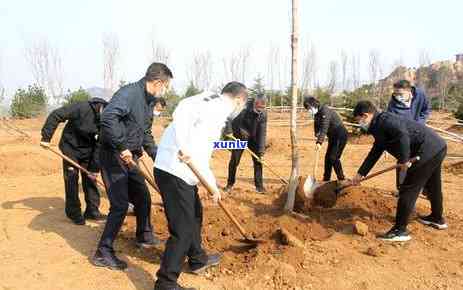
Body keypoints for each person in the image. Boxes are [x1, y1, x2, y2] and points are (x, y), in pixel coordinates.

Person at [153, 82, 248, 290]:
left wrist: (183, 143)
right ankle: (165, 283)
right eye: (242, 104)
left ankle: (197, 259)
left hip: (179, 170)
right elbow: (201, 156)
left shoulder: (209, 97)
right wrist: (213, 187)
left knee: (195, 215)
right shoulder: (216, 112)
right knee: (182, 229)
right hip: (174, 171)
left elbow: (182, 109)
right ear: (239, 100)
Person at [91, 62, 173, 271]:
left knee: (143, 197)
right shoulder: (129, 94)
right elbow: (108, 117)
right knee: (119, 205)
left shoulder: (148, 101)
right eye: (166, 86)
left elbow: (145, 132)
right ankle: (103, 252)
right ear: (157, 82)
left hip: (130, 157)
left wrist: (159, 157)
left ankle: (144, 236)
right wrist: (121, 146)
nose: (165, 90)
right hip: (113, 155)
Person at [351, 101, 448, 242]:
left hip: (426, 150)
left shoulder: (385, 121)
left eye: (358, 120)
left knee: (408, 188)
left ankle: (400, 230)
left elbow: (402, 135)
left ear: (365, 115)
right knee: (433, 185)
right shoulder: (377, 125)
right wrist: (361, 174)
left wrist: (403, 160)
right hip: (437, 147)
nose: (359, 123)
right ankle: (437, 218)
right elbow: (376, 151)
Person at [40, 97, 108, 225]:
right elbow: (56, 115)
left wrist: (94, 169)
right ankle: (74, 213)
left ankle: (92, 211)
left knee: (90, 179)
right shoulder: (80, 107)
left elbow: (100, 145)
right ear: (101, 108)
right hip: (71, 147)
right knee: (72, 178)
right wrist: (46, 137)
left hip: (89, 149)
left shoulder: (107, 120)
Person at [387, 79, 431, 190]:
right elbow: (390, 124)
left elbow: (426, 110)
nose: (397, 96)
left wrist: (420, 123)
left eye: (400, 94)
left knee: (421, 160)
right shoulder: (393, 104)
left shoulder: (420, 95)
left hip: (420, 133)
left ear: (409, 91)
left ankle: (424, 187)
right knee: (403, 160)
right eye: (395, 93)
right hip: (403, 136)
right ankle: (401, 187)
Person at [224, 93, 267, 193]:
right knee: (235, 161)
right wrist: (231, 131)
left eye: (263, 108)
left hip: (253, 137)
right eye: (259, 108)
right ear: (255, 104)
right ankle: (230, 184)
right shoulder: (243, 107)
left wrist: (261, 150)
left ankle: (259, 186)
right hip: (239, 136)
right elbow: (229, 117)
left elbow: (262, 132)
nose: (261, 110)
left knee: (258, 160)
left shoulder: (264, 113)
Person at [303, 96, 348, 182]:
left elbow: (324, 127)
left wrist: (319, 142)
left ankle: (341, 179)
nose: (309, 110)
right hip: (332, 137)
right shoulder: (316, 113)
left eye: (309, 108)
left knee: (333, 158)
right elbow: (316, 125)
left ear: (313, 105)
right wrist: (316, 133)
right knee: (328, 158)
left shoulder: (325, 110)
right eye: (307, 109)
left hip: (340, 135)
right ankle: (326, 179)